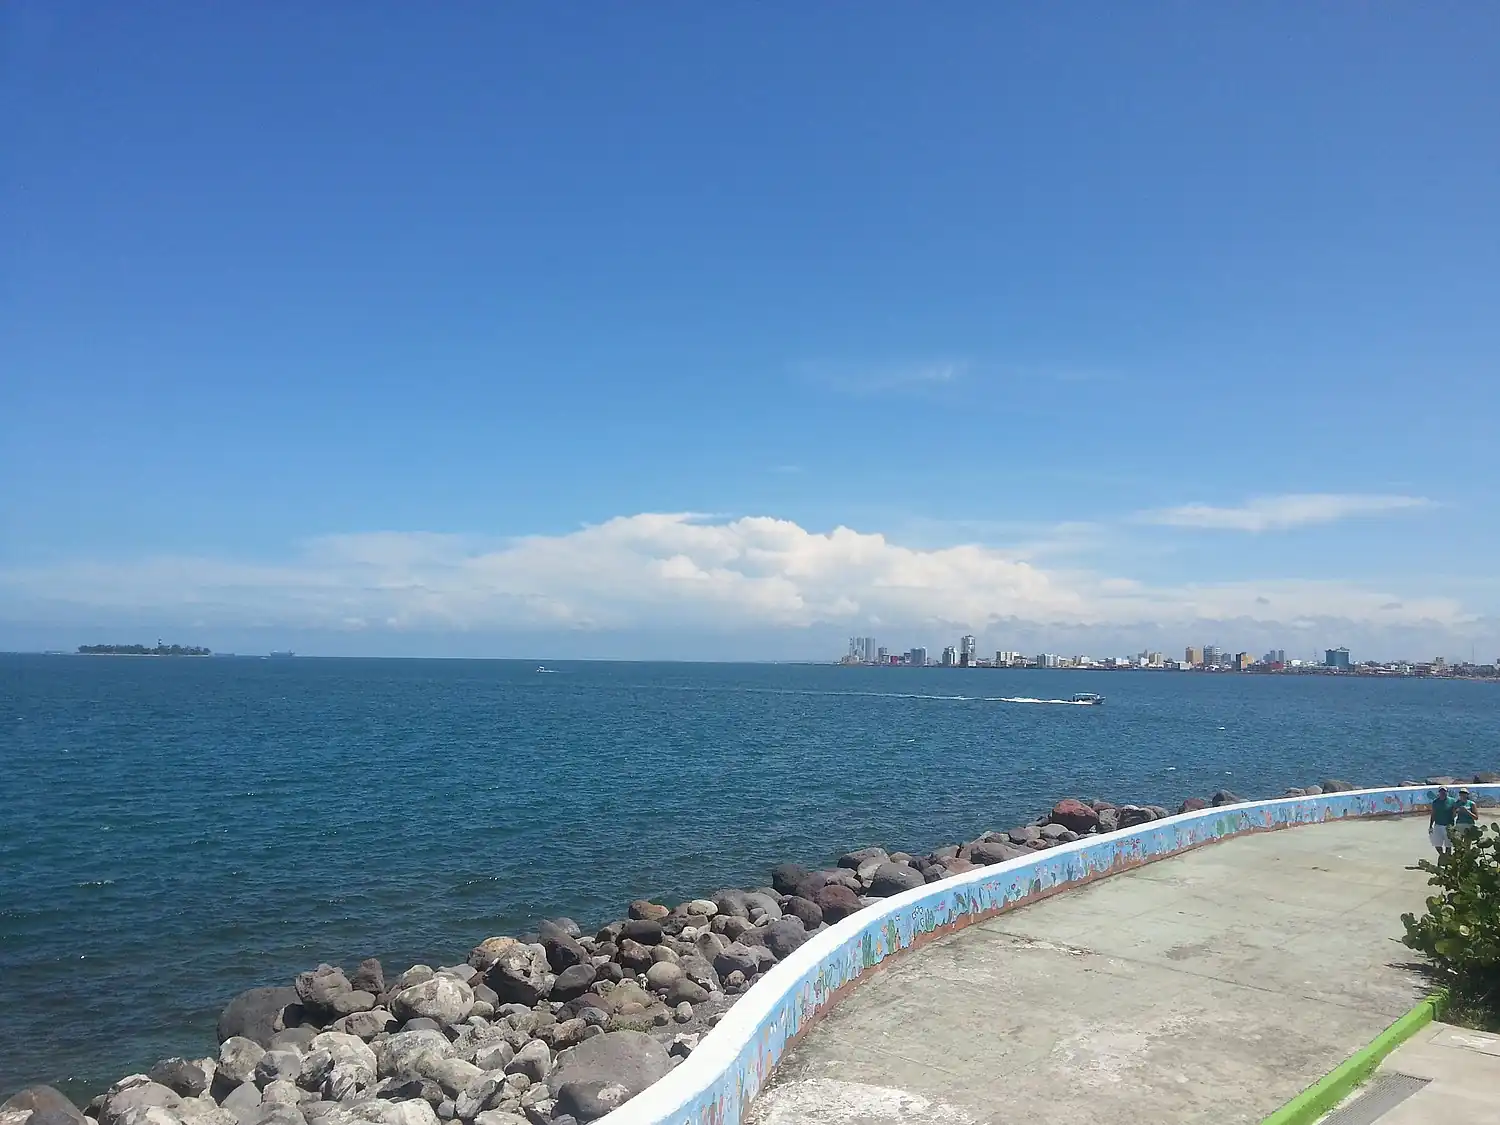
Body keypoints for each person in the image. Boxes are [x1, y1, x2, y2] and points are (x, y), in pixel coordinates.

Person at [1429, 785, 1457, 853]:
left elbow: (1455, 813)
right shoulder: (1435, 802)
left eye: (1444, 791)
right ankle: (1442, 855)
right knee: (1437, 844)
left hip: (1449, 826)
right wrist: (1430, 826)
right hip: (1438, 825)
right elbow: (1433, 814)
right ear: (1439, 792)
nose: (1443, 793)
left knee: (1448, 845)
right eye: (1441, 791)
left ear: (1447, 792)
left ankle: (1448, 859)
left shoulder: (1452, 801)